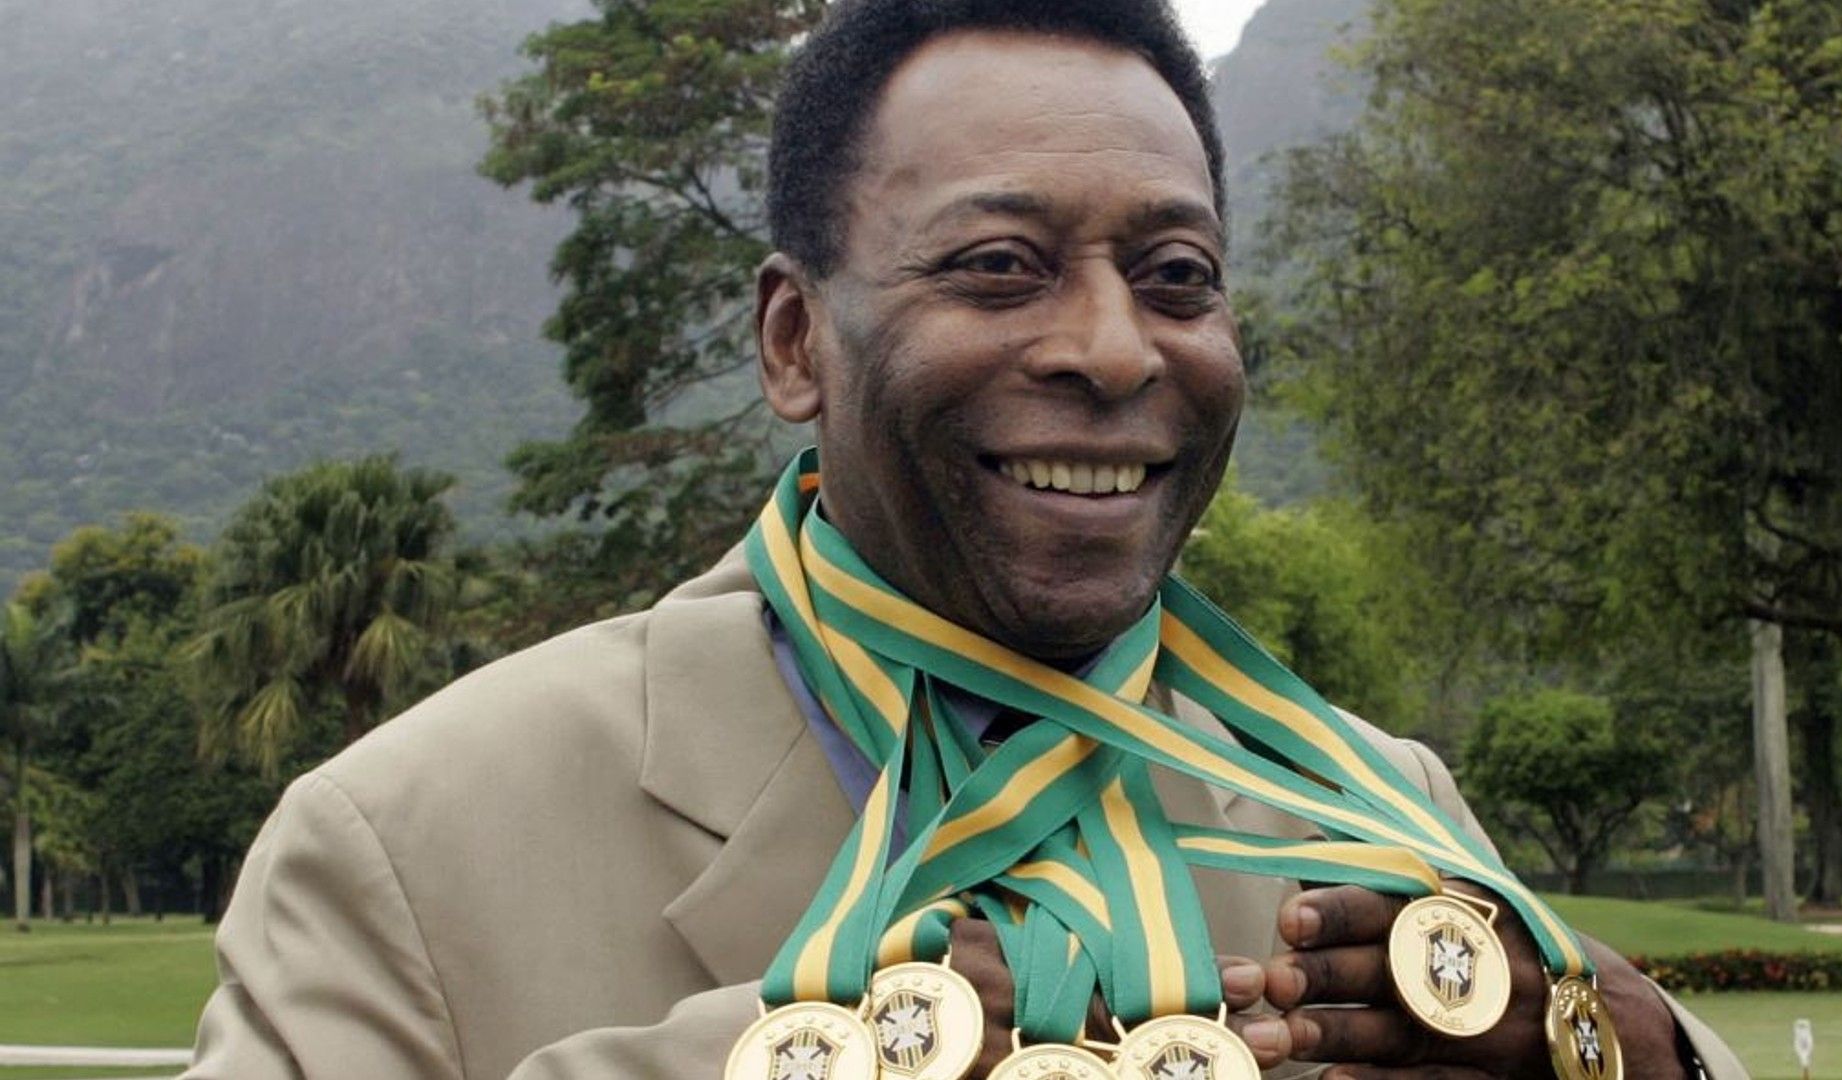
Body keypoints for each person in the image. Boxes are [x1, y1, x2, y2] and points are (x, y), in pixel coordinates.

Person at [184, 2, 1744, 1077]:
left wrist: (1644, 1057)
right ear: (797, 341)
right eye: (1000, 266)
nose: (1117, 348)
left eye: (1178, 274)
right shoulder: (404, 844)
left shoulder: (1386, 819)